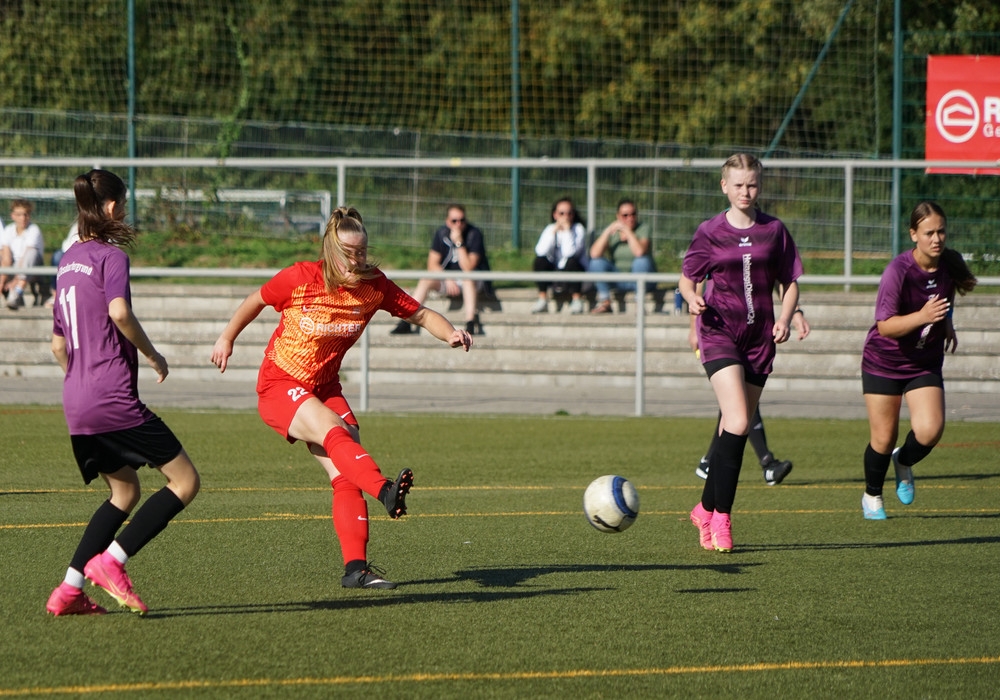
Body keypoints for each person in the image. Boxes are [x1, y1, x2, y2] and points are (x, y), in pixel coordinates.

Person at [211, 205, 473, 590]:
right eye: (348, 253)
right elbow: (256, 299)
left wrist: (450, 332)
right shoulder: (300, 277)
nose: (356, 260)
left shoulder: (374, 285)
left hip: (325, 387)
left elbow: (419, 314)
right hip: (279, 383)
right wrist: (227, 338)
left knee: (346, 472)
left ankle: (356, 569)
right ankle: (385, 490)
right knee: (336, 430)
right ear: (330, 251)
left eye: (362, 252)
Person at [46, 170, 201, 616]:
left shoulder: (67, 261)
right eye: (125, 206)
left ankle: (69, 590)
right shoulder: (110, 257)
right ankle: (112, 561)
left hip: (76, 402)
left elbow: (57, 345)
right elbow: (119, 312)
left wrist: (82, 385)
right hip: (111, 399)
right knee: (185, 481)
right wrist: (153, 356)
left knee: (125, 492)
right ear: (112, 207)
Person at [679, 153, 803, 553]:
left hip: (759, 338)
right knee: (736, 421)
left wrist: (786, 316)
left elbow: (789, 281)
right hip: (719, 333)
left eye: (752, 184)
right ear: (724, 187)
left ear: (759, 186)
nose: (746, 192)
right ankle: (722, 517)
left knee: (731, 429)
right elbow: (687, 279)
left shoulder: (774, 230)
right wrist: (692, 299)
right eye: (738, 185)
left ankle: (703, 508)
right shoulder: (710, 231)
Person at [860, 201, 977, 520]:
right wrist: (923, 316)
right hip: (884, 362)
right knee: (883, 438)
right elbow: (885, 326)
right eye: (928, 233)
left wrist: (947, 322)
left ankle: (904, 461)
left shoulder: (949, 263)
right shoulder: (897, 271)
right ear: (913, 234)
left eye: (941, 231)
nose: (936, 239)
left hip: (924, 362)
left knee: (930, 431)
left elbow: (946, 296)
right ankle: (872, 496)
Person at [691, 285, 811, 485]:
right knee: (739, 399)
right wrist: (693, 327)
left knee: (736, 401)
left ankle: (710, 461)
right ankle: (766, 462)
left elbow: (780, 278)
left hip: (753, 332)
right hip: (719, 331)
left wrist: (795, 312)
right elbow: (695, 281)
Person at [391, 204, 492, 336]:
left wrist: (459, 243)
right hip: (449, 279)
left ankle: (470, 323)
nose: (458, 224)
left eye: (462, 220)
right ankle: (407, 320)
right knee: (426, 279)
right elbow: (432, 264)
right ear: (447, 221)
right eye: (454, 221)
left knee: (467, 278)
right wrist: (447, 277)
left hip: (472, 280)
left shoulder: (474, 234)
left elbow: (468, 267)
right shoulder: (441, 233)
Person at [588, 199, 658, 314]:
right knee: (596, 263)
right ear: (618, 216)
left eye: (633, 214)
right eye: (625, 215)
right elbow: (594, 254)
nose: (630, 218)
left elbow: (639, 252)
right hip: (619, 278)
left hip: (643, 280)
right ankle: (605, 302)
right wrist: (608, 231)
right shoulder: (614, 232)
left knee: (641, 261)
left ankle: (639, 303)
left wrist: (628, 233)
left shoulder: (643, 228)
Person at [531, 197, 587, 314]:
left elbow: (570, 253)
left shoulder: (578, 229)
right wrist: (553, 233)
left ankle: (576, 299)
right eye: (562, 213)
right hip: (555, 270)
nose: (565, 217)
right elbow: (540, 251)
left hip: (572, 270)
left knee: (572, 262)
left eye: (569, 213)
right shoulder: (550, 228)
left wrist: (567, 231)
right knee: (540, 261)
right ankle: (542, 299)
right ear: (555, 215)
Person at [1, 199, 48, 309]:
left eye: (25, 214)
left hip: (32, 268)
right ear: (13, 216)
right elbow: (6, 258)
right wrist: (2, 282)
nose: (23, 218)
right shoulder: (8, 230)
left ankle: (17, 291)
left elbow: (26, 259)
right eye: (19, 215)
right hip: (16, 268)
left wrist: (14, 282)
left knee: (31, 253)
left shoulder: (34, 230)